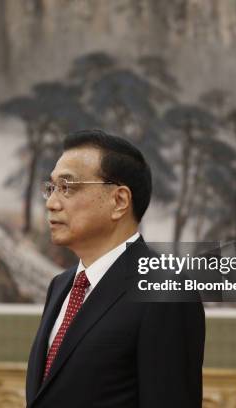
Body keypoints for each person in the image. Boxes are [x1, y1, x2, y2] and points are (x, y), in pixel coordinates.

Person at [25, 129, 205, 407]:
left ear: (119, 201)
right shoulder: (61, 285)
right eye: (51, 188)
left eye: (67, 187)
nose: (51, 203)